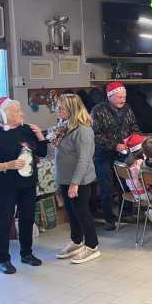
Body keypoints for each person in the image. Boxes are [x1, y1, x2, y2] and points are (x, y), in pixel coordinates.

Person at [0, 98, 48, 274]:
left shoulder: (27, 130)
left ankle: (27, 253)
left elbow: (42, 152)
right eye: (17, 111)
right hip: (6, 186)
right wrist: (7, 165)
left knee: (27, 219)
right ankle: (3, 259)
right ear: (3, 114)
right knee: (4, 221)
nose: (22, 114)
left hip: (28, 184)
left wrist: (40, 137)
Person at [53, 94, 101, 264]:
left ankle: (92, 245)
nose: (58, 111)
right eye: (57, 107)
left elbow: (84, 159)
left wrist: (75, 183)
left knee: (82, 212)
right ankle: (76, 240)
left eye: (61, 108)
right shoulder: (65, 125)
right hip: (65, 178)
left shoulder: (83, 130)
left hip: (79, 180)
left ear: (72, 110)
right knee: (71, 211)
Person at [91, 82, 140, 230]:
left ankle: (126, 212)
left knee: (127, 182)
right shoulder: (97, 110)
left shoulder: (127, 109)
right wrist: (114, 145)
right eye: (119, 97)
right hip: (103, 154)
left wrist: (132, 139)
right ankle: (109, 219)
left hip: (123, 153)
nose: (123, 100)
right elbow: (95, 135)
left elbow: (134, 127)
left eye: (124, 97)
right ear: (110, 96)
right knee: (106, 187)